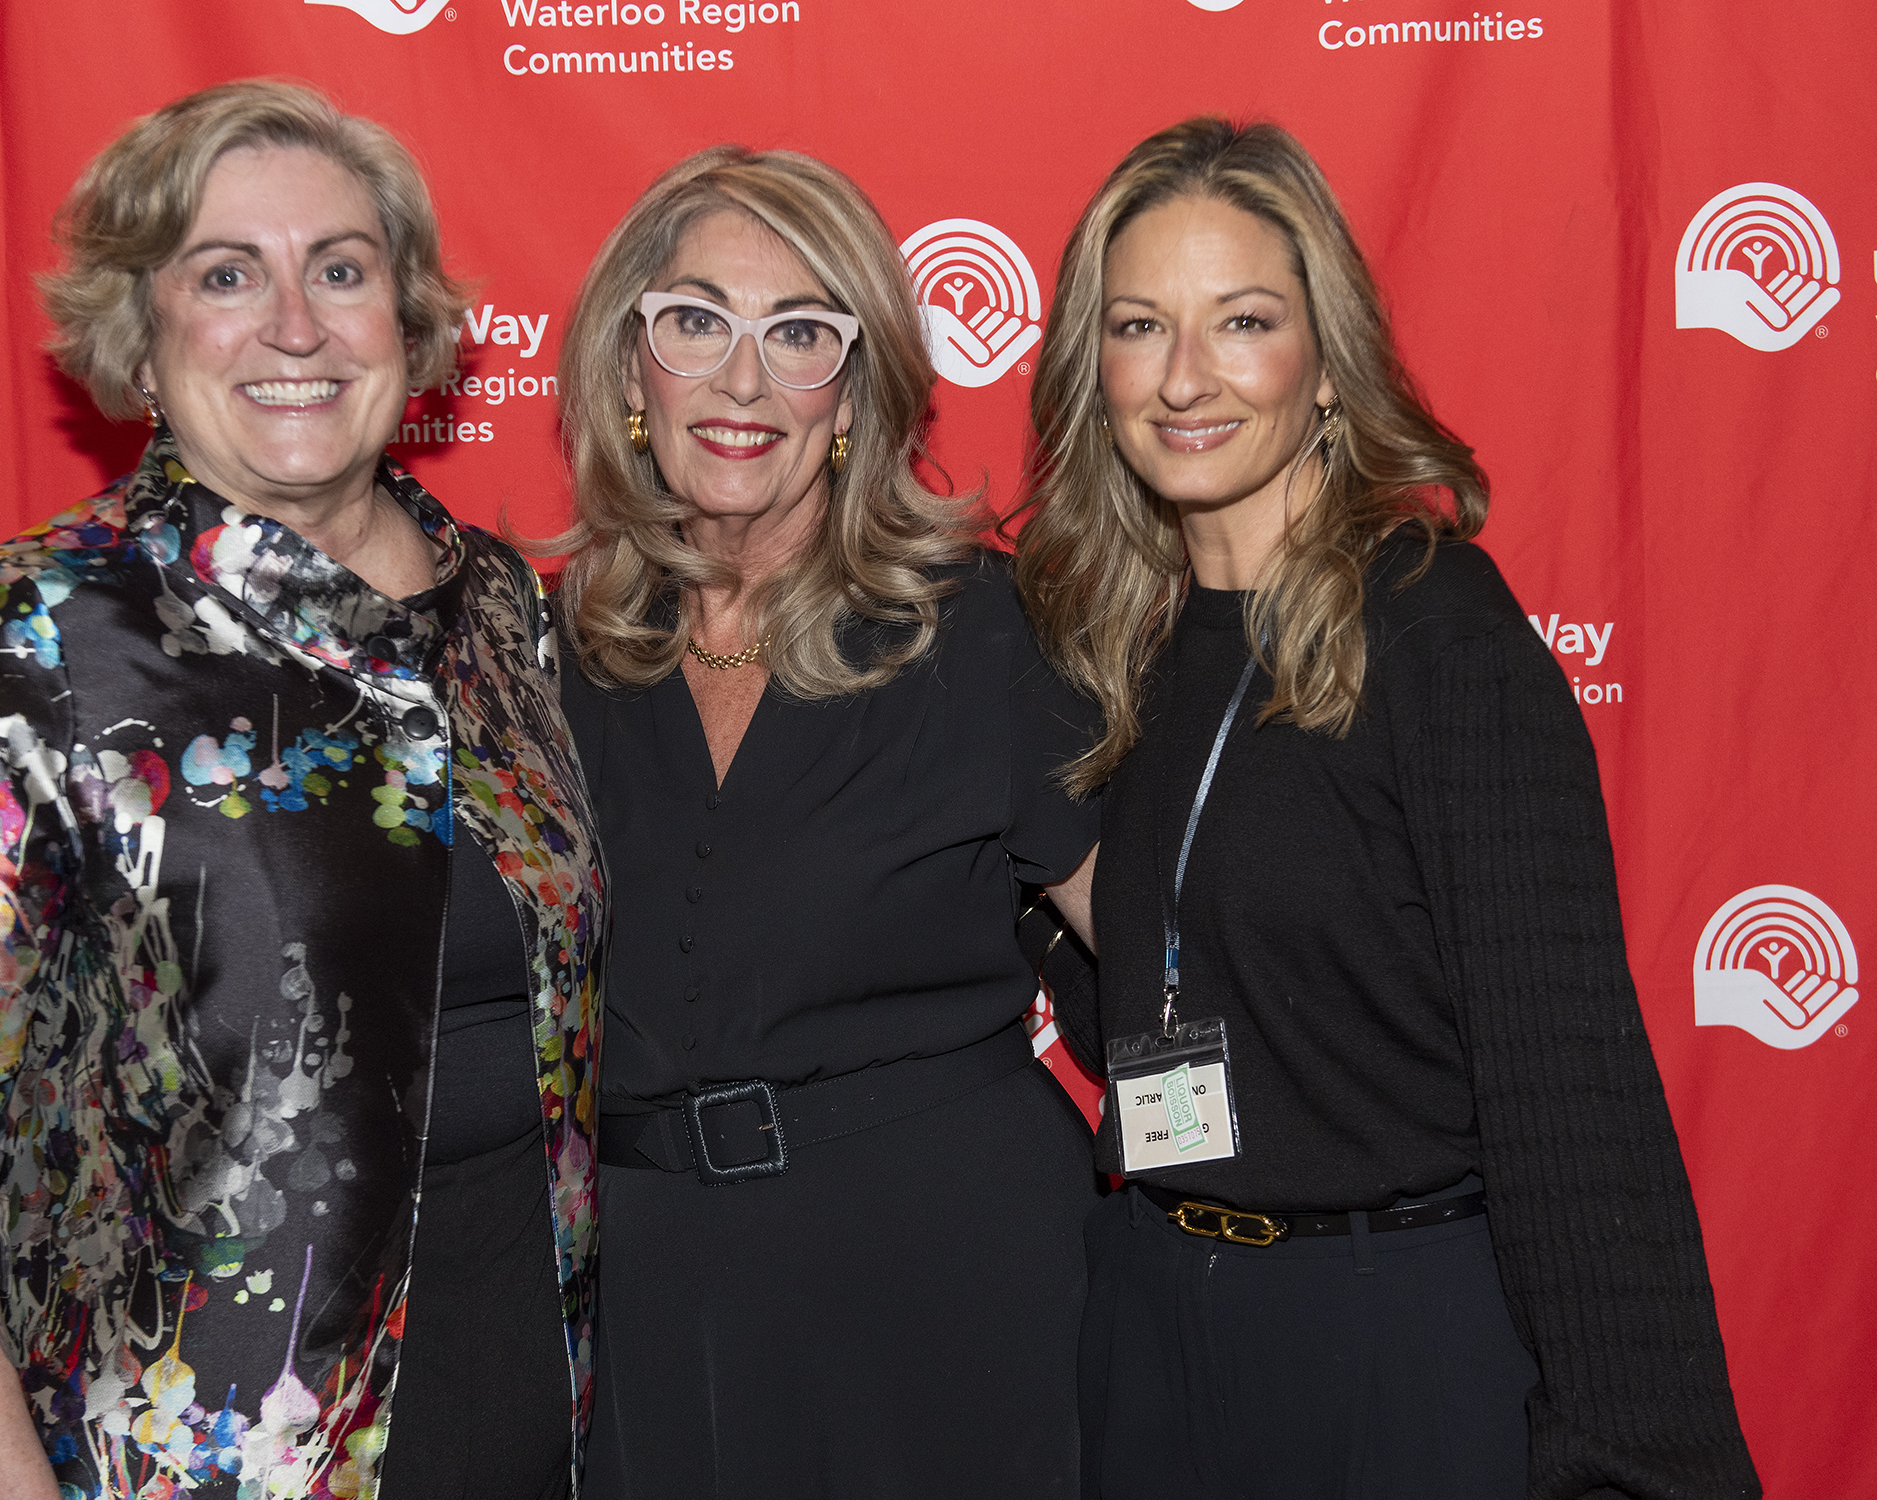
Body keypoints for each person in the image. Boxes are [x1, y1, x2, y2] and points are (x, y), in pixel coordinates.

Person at [0, 81, 603, 1500]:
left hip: (520, 1421)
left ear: (410, 326)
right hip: (146, 1460)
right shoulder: (36, 633)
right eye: (225, 276)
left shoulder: (505, 614)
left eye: (342, 270)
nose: (295, 326)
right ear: (140, 340)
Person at [1012, 118, 1760, 1499]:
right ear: (1088, 365)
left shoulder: (1431, 628)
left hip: (1394, 1335)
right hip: (1159, 1319)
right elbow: (1183, 986)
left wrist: (1632, 1463)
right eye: (1137, 326)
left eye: (1242, 321)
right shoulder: (1114, 645)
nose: (1183, 376)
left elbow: (1565, 1084)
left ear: (1324, 359)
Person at [550, 145, 1102, 1499]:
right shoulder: (542, 655)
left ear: (853, 394)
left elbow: (1170, 954)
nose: (743, 381)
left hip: (945, 1290)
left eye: (800, 334)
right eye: (696, 322)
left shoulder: (982, 631)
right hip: (642, 1312)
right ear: (629, 369)